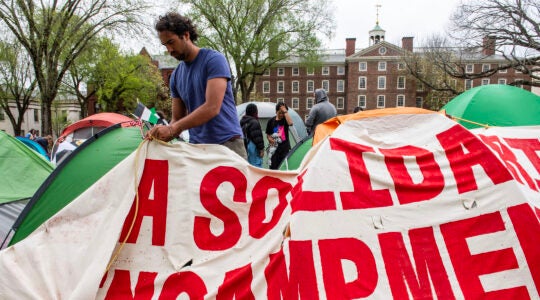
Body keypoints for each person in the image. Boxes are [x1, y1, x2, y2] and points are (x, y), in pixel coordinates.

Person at [146, 13, 247, 160]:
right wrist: (162, 134)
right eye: (165, 45)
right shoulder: (176, 76)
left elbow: (212, 107)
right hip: (197, 148)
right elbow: (177, 118)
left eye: (171, 42)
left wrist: (173, 128)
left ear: (186, 35)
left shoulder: (214, 60)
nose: (169, 50)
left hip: (227, 144)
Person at [266, 102, 293, 169]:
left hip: (284, 149)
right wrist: (269, 139)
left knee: (283, 168)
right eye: (280, 112)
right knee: (273, 169)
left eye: (283, 113)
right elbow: (268, 134)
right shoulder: (271, 121)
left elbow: (291, 123)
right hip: (274, 150)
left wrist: (285, 111)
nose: (282, 115)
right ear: (276, 111)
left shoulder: (285, 120)